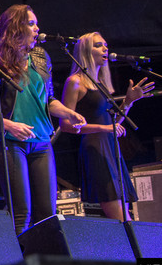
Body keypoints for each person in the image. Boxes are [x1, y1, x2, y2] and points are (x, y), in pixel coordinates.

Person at [0, 4, 86, 235]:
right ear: (16, 28)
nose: (37, 28)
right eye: (31, 23)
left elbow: (48, 99)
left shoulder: (41, 57)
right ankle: (19, 257)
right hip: (9, 143)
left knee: (47, 215)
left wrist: (68, 112)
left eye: (36, 24)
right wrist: (8, 125)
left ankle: (43, 257)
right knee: (21, 214)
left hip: (41, 142)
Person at [61, 32, 153, 221]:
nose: (105, 48)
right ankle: (133, 240)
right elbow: (66, 125)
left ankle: (130, 240)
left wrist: (128, 102)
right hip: (95, 147)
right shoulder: (75, 82)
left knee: (124, 212)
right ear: (86, 51)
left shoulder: (100, 84)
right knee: (120, 216)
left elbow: (113, 123)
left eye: (105, 45)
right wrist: (104, 128)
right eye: (98, 45)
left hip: (110, 147)